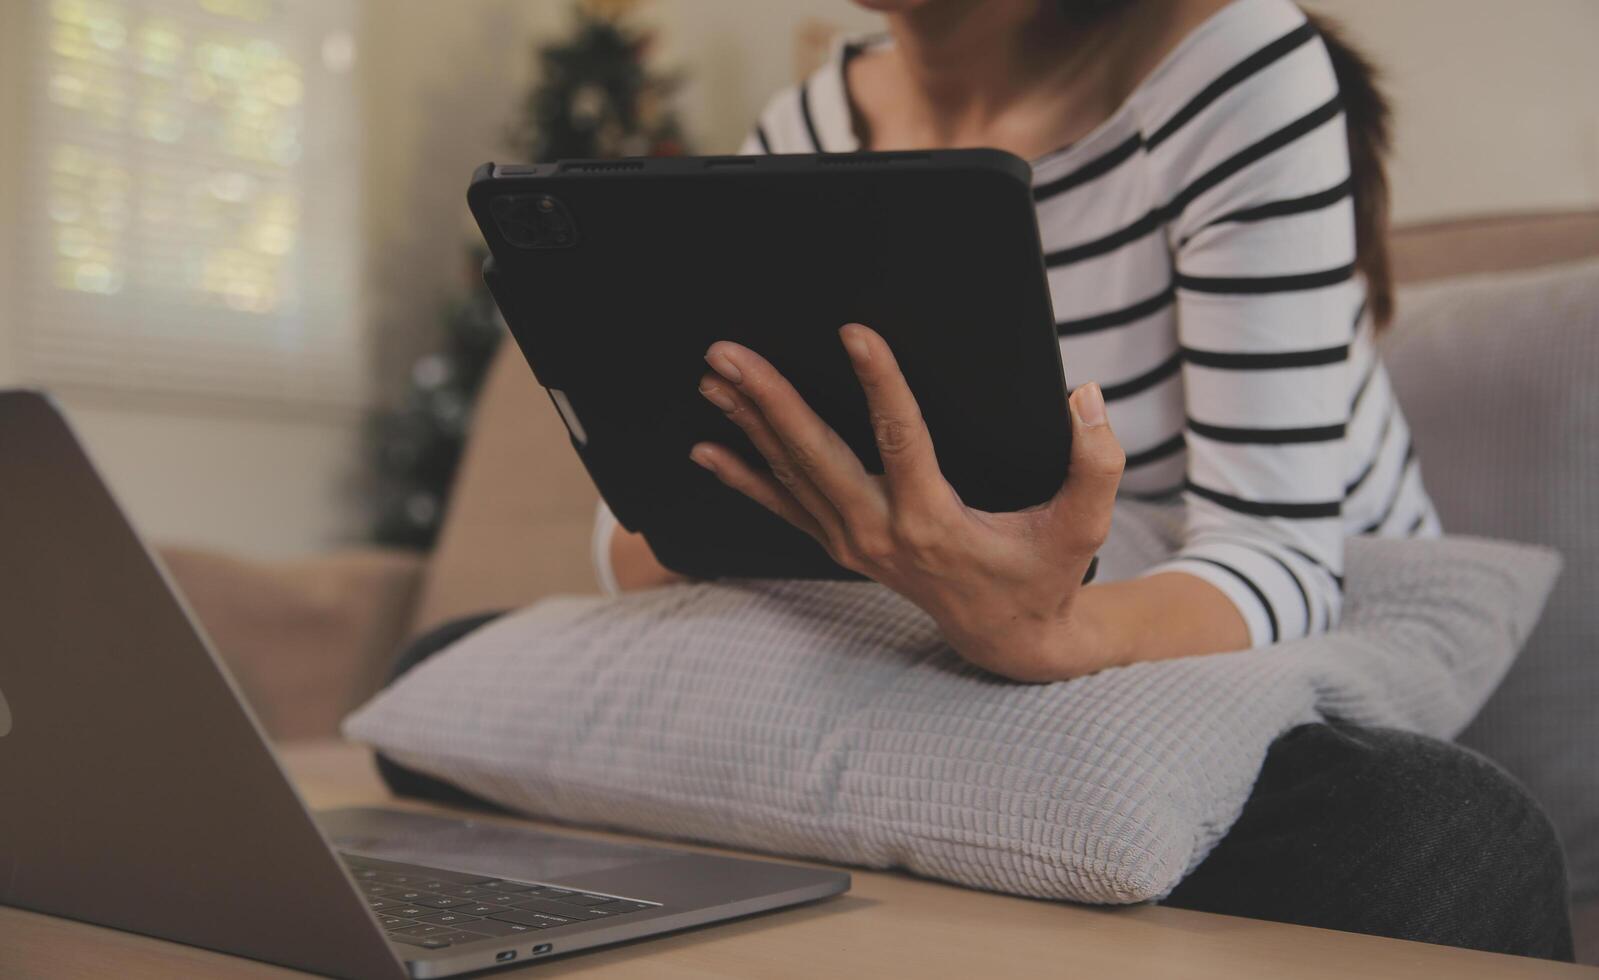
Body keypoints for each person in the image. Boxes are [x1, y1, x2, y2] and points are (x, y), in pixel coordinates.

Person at [383, 0, 1574, 959]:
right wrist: (743, 512)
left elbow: (1280, 555)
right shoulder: (805, 126)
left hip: (1240, 666)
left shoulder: (1239, 68)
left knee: (1437, 837)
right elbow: (638, 537)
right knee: (437, 674)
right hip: (951, 661)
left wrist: (1045, 627)